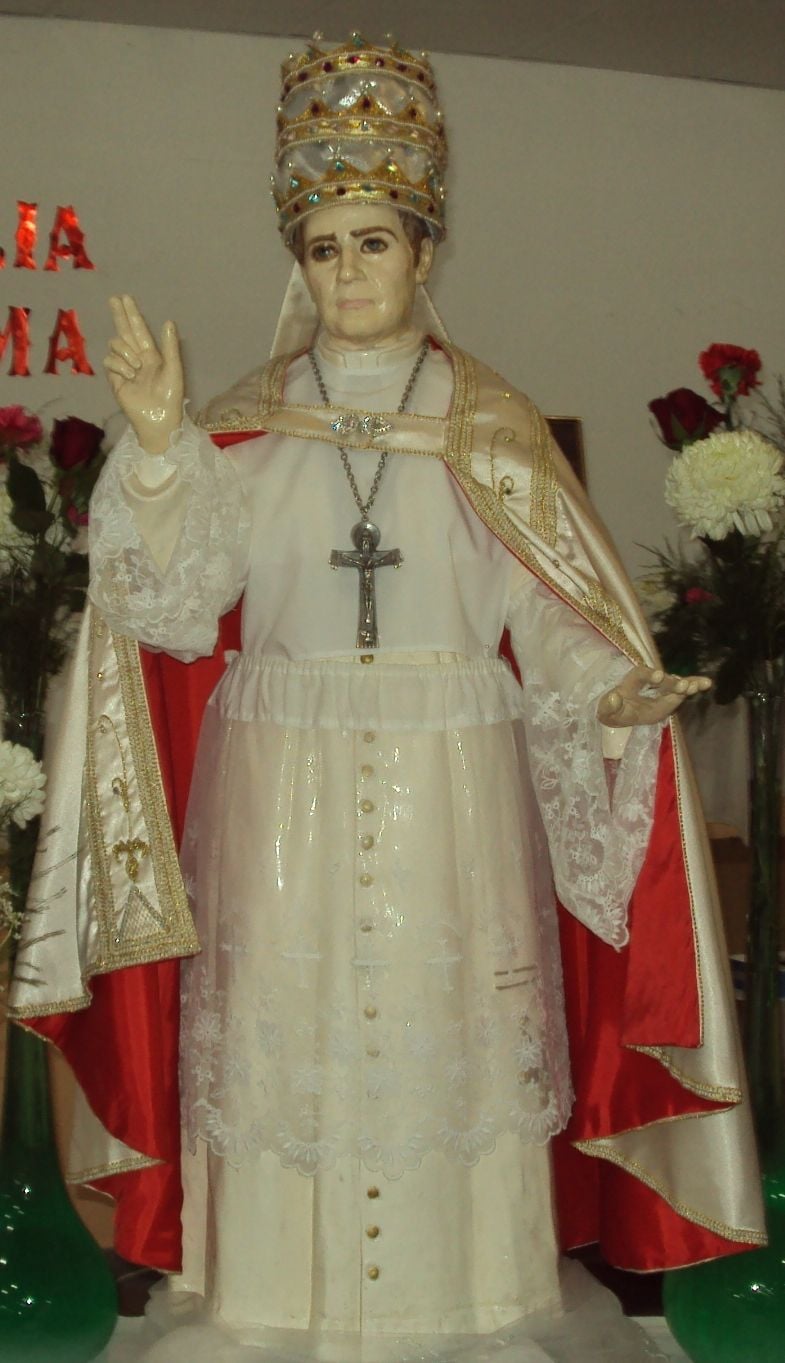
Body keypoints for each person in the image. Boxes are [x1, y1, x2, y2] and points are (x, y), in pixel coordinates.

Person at [11, 33, 764, 1362]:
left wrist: (611, 688)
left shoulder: (491, 428)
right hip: (276, 785)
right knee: (282, 1030)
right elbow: (175, 604)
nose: (348, 271)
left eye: (372, 243)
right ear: (296, 264)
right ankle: (274, 1301)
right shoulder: (247, 424)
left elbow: (546, 608)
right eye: (323, 249)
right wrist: (162, 453)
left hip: (450, 783)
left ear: (423, 252)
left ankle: (455, 1302)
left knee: (444, 1024)